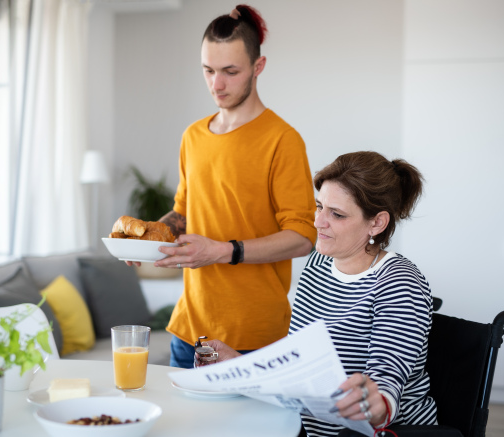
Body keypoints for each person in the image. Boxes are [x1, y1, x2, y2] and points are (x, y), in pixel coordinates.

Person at [198, 151, 438, 437]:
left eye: (336, 214)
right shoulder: (318, 264)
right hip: (309, 429)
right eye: (319, 207)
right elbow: (300, 368)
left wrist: (376, 405)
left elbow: (385, 387)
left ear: (376, 223)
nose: (318, 222)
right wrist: (239, 365)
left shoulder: (398, 282)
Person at [132, 5, 317, 369]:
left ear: (257, 68)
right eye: (208, 70)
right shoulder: (193, 136)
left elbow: (303, 236)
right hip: (189, 331)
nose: (217, 84)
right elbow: (184, 212)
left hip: (255, 338)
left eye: (230, 72)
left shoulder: (283, 140)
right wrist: (151, 235)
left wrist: (222, 250)